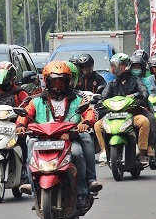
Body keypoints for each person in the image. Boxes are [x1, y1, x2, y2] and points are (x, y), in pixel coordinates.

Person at [15, 61, 102, 208]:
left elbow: (89, 112)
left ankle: (82, 191)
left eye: (61, 81)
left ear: (68, 82)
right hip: (43, 139)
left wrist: (86, 123)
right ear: (47, 82)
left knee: (77, 151)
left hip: (69, 138)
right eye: (54, 81)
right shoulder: (37, 101)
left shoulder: (78, 99)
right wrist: (21, 125)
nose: (58, 84)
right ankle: (32, 185)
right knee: (30, 143)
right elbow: (26, 113)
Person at [95, 53, 152, 165]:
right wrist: (100, 101)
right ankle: (105, 151)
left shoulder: (136, 80)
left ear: (127, 66)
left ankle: (141, 151)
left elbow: (144, 92)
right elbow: (104, 96)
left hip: (132, 113)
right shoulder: (112, 83)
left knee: (144, 122)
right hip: (113, 115)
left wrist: (138, 96)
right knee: (97, 125)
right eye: (114, 66)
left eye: (119, 66)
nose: (116, 69)